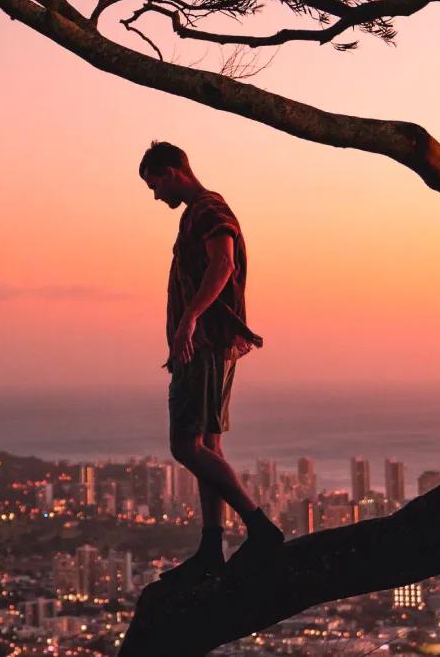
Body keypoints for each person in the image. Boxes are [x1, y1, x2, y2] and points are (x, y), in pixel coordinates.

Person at [139, 140, 285, 580]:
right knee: (208, 447)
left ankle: (259, 526)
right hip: (209, 344)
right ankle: (211, 548)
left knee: (184, 446)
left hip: (202, 345)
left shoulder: (207, 209)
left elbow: (222, 264)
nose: (155, 195)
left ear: (171, 172)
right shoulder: (199, 211)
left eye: (154, 184)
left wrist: (188, 321)